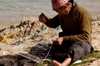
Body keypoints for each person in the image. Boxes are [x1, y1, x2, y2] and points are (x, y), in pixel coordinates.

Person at [39, 0, 94, 66]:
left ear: (65, 7)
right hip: (66, 43)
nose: (59, 14)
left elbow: (86, 36)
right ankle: (62, 54)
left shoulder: (82, 13)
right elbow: (53, 23)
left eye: (58, 12)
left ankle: (63, 64)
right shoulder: (63, 13)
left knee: (76, 50)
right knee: (38, 48)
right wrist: (45, 20)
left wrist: (63, 38)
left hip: (81, 43)